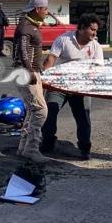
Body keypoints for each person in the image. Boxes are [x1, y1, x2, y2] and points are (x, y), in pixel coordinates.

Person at [41, 13, 104, 160]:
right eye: (92, 30)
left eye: (96, 30)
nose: (94, 33)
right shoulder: (64, 40)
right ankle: (47, 143)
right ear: (82, 28)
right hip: (59, 86)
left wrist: (90, 82)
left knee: (83, 118)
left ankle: (85, 148)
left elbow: (98, 69)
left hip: (80, 88)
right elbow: (50, 60)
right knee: (49, 113)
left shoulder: (96, 46)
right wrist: (43, 80)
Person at [13, 0, 50, 164]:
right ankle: (31, 149)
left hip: (30, 72)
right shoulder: (26, 27)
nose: (47, 12)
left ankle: (23, 148)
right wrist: (30, 71)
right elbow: (23, 51)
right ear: (37, 9)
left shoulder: (30, 26)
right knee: (41, 111)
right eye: (45, 9)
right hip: (26, 73)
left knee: (32, 110)